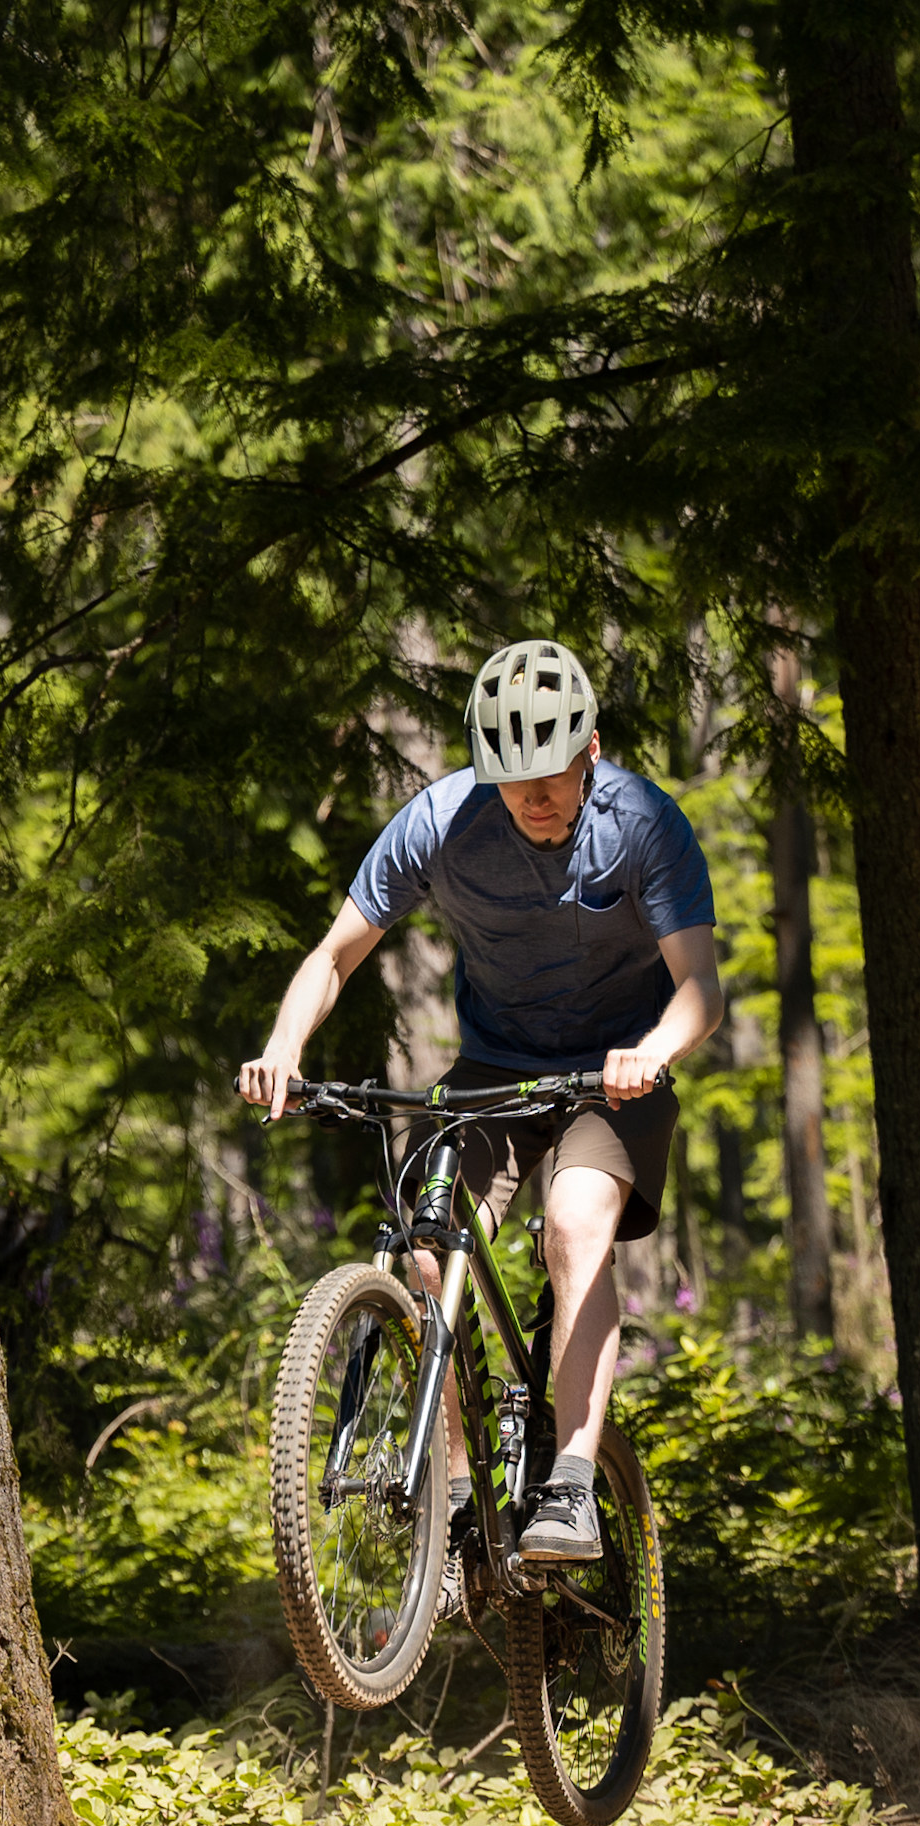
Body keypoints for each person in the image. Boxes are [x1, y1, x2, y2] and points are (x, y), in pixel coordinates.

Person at [237, 638, 722, 1564]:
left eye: (551, 775)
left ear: (588, 752)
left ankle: (572, 1484)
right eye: (512, 780)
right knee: (429, 1251)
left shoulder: (645, 825)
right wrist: (283, 1049)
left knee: (575, 1224)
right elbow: (335, 955)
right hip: (497, 1068)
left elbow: (700, 984)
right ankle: (458, 1502)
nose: (534, 799)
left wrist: (652, 1051)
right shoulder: (440, 822)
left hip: (615, 1070)